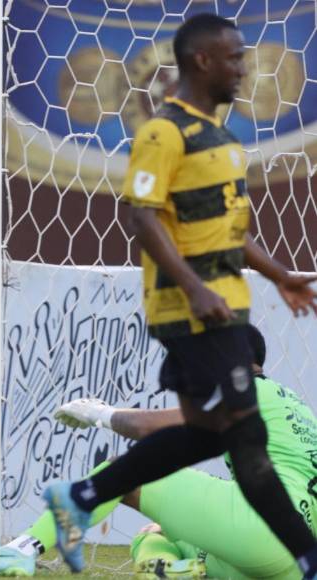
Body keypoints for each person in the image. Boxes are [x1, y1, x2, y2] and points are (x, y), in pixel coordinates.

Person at [43, 13, 317, 576]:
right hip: (189, 310)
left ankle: (82, 499)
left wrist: (279, 275)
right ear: (202, 61)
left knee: (218, 436)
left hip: (225, 306)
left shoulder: (224, 140)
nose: (245, 68)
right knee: (245, 441)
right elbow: (141, 217)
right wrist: (193, 289)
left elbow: (233, 232)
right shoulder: (162, 133)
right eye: (235, 58)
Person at [0, 325, 317, 579]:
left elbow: (150, 428)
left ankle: (24, 548)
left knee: (124, 472)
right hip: (293, 557)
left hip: (261, 530)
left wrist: (100, 413)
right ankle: (170, 568)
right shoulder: (295, 406)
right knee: (152, 533)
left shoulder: (248, 391)